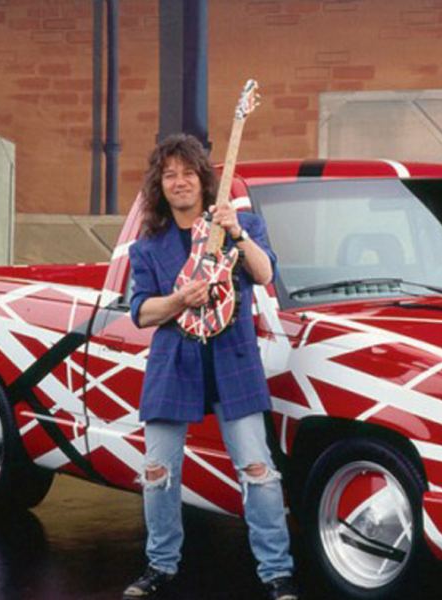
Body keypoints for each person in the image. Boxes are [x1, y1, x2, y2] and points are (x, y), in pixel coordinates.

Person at [123, 133, 298, 600]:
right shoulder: (148, 246)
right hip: (173, 362)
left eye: (186, 173)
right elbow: (140, 312)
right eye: (169, 175)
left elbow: (264, 274)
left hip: (232, 359)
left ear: (203, 180)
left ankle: (277, 572)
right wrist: (180, 299)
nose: (179, 182)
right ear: (159, 187)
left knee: (259, 470)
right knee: (158, 471)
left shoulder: (239, 227)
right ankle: (160, 565)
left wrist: (237, 231)